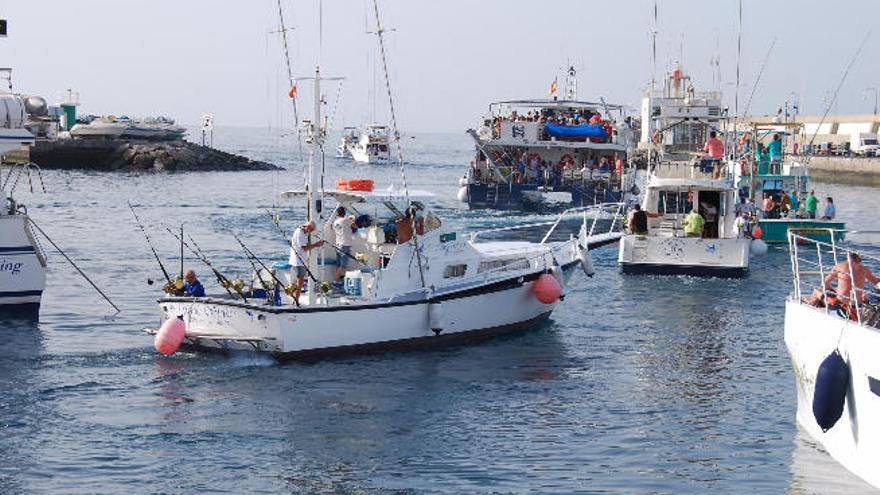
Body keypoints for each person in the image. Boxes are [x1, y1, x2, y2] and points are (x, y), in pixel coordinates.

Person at [290, 221, 324, 301]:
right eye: (311, 230)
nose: (310, 232)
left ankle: (295, 298)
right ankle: (296, 300)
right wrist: (316, 245)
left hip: (301, 260)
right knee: (300, 282)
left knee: (299, 281)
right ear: (307, 227)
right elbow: (304, 248)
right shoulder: (300, 233)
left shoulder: (303, 232)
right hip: (298, 261)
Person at [332, 206, 356, 286]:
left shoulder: (335, 222)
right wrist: (352, 219)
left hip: (338, 244)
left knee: (338, 264)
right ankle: (336, 281)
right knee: (343, 265)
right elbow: (355, 226)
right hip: (345, 245)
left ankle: (338, 280)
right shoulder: (346, 220)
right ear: (344, 212)